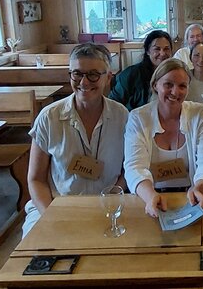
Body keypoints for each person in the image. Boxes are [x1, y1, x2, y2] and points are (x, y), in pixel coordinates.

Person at [23, 44, 128, 236]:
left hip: (107, 205)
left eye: (93, 75)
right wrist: (51, 216)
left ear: (108, 78)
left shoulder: (122, 116)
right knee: (36, 250)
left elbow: (127, 168)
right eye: (77, 74)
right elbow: (36, 179)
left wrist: (113, 197)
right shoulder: (49, 117)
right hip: (56, 204)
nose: (84, 82)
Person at [123, 58, 203, 217]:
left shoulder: (201, 114)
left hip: (192, 198)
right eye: (168, 84)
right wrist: (150, 196)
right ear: (155, 85)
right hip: (149, 198)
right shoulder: (138, 117)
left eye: (182, 86)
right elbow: (134, 167)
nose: (175, 92)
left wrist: (200, 187)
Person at [109, 30, 172, 111]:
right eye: (157, 49)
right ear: (147, 51)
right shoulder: (130, 75)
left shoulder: (175, 75)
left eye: (166, 49)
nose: (162, 53)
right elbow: (112, 105)